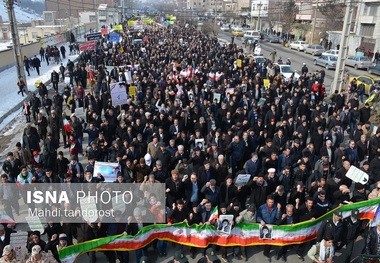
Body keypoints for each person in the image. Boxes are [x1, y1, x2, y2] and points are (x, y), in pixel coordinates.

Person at [257, 195, 281, 262]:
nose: (271, 204)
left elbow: (278, 217)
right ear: (267, 201)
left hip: (272, 226)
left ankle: (266, 253)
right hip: (264, 226)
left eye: (272, 202)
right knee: (263, 240)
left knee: (269, 241)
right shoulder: (261, 207)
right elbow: (258, 216)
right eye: (270, 202)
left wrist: (279, 209)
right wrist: (261, 220)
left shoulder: (276, 207)